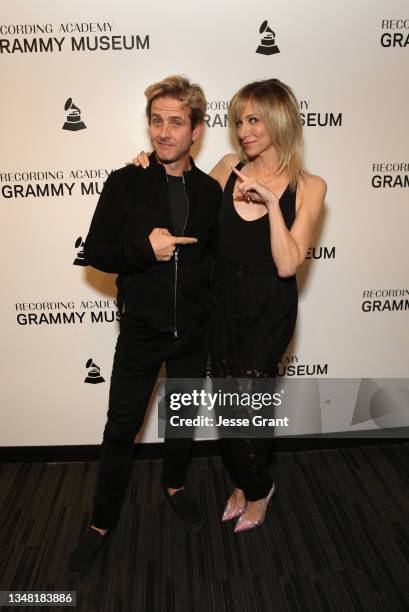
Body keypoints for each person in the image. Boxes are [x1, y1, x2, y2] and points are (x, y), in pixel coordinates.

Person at [133, 78, 326, 533]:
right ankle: (242, 481)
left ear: (279, 121)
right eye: (239, 121)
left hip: (268, 310)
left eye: (254, 119)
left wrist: (274, 206)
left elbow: (286, 263)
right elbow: (180, 206)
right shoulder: (225, 167)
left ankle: (258, 490)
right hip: (221, 304)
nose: (244, 131)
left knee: (249, 411)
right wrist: (148, 174)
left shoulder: (310, 186)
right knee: (226, 409)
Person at [68, 75, 222, 576]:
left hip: (194, 332)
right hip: (141, 331)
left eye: (176, 122)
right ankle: (101, 522)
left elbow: (218, 260)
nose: (163, 132)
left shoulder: (208, 192)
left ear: (196, 129)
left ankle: (174, 485)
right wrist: (143, 250)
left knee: (180, 420)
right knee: (120, 429)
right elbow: (95, 252)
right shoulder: (126, 181)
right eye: (156, 120)